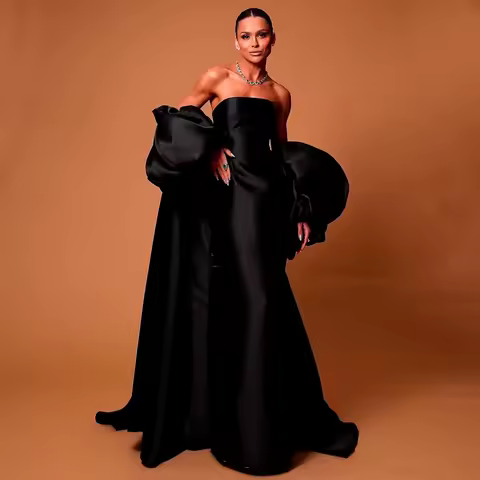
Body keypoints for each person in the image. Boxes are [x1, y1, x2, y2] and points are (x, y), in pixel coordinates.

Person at [95, 8, 358, 476]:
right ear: (236, 41)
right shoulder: (217, 78)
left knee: (265, 303)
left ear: (272, 39)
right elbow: (179, 118)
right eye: (245, 35)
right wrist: (212, 147)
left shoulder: (280, 94)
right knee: (244, 300)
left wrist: (301, 211)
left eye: (261, 35)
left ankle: (261, 427)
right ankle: (230, 426)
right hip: (228, 198)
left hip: (266, 203)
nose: (254, 43)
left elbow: (283, 155)